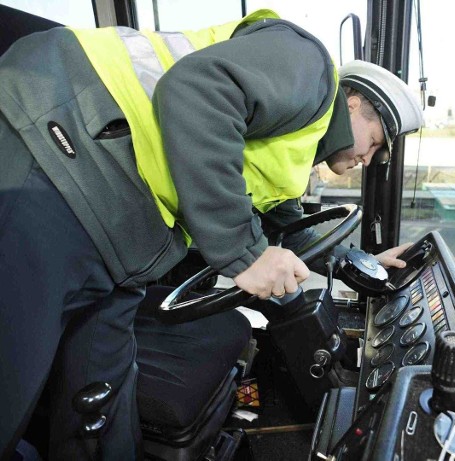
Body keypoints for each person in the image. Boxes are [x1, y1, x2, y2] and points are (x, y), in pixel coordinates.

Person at [0, 9, 423, 460]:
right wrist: (246, 255)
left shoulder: (292, 152)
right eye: (375, 141)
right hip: (56, 150)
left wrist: (362, 263)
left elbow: (292, 230)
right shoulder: (309, 69)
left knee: (101, 401)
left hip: (115, 234)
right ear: (354, 102)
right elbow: (197, 90)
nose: (369, 158)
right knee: (10, 381)